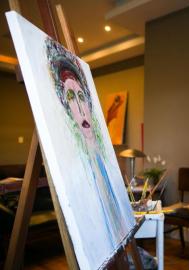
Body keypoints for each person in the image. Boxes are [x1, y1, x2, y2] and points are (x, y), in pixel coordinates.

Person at [46, 37, 133, 250]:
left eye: (82, 96)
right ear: (65, 106)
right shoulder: (75, 166)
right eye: (70, 96)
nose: (82, 109)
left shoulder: (100, 158)